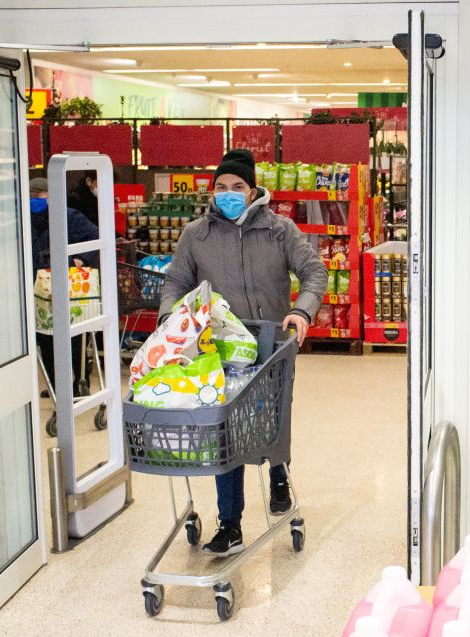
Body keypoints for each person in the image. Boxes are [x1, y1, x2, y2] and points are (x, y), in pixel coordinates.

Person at [160, 149, 327, 557]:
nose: (229, 194)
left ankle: (278, 474)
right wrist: (170, 317)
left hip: (273, 345)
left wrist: (301, 311)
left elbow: (314, 271)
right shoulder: (196, 235)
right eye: (221, 187)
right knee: (227, 431)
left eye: (237, 187)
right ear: (212, 191)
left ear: (253, 191)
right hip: (222, 351)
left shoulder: (279, 230)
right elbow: (175, 281)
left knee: (271, 418)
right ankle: (230, 524)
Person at [29, 176, 99, 398]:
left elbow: (95, 236)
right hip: (39, 290)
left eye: (39, 196)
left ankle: (79, 383)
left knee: (74, 337)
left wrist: (80, 260)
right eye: (31, 196)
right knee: (45, 339)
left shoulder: (68, 217)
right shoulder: (23, 219)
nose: (35, 200)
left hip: (68, 287)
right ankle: (56, 386)